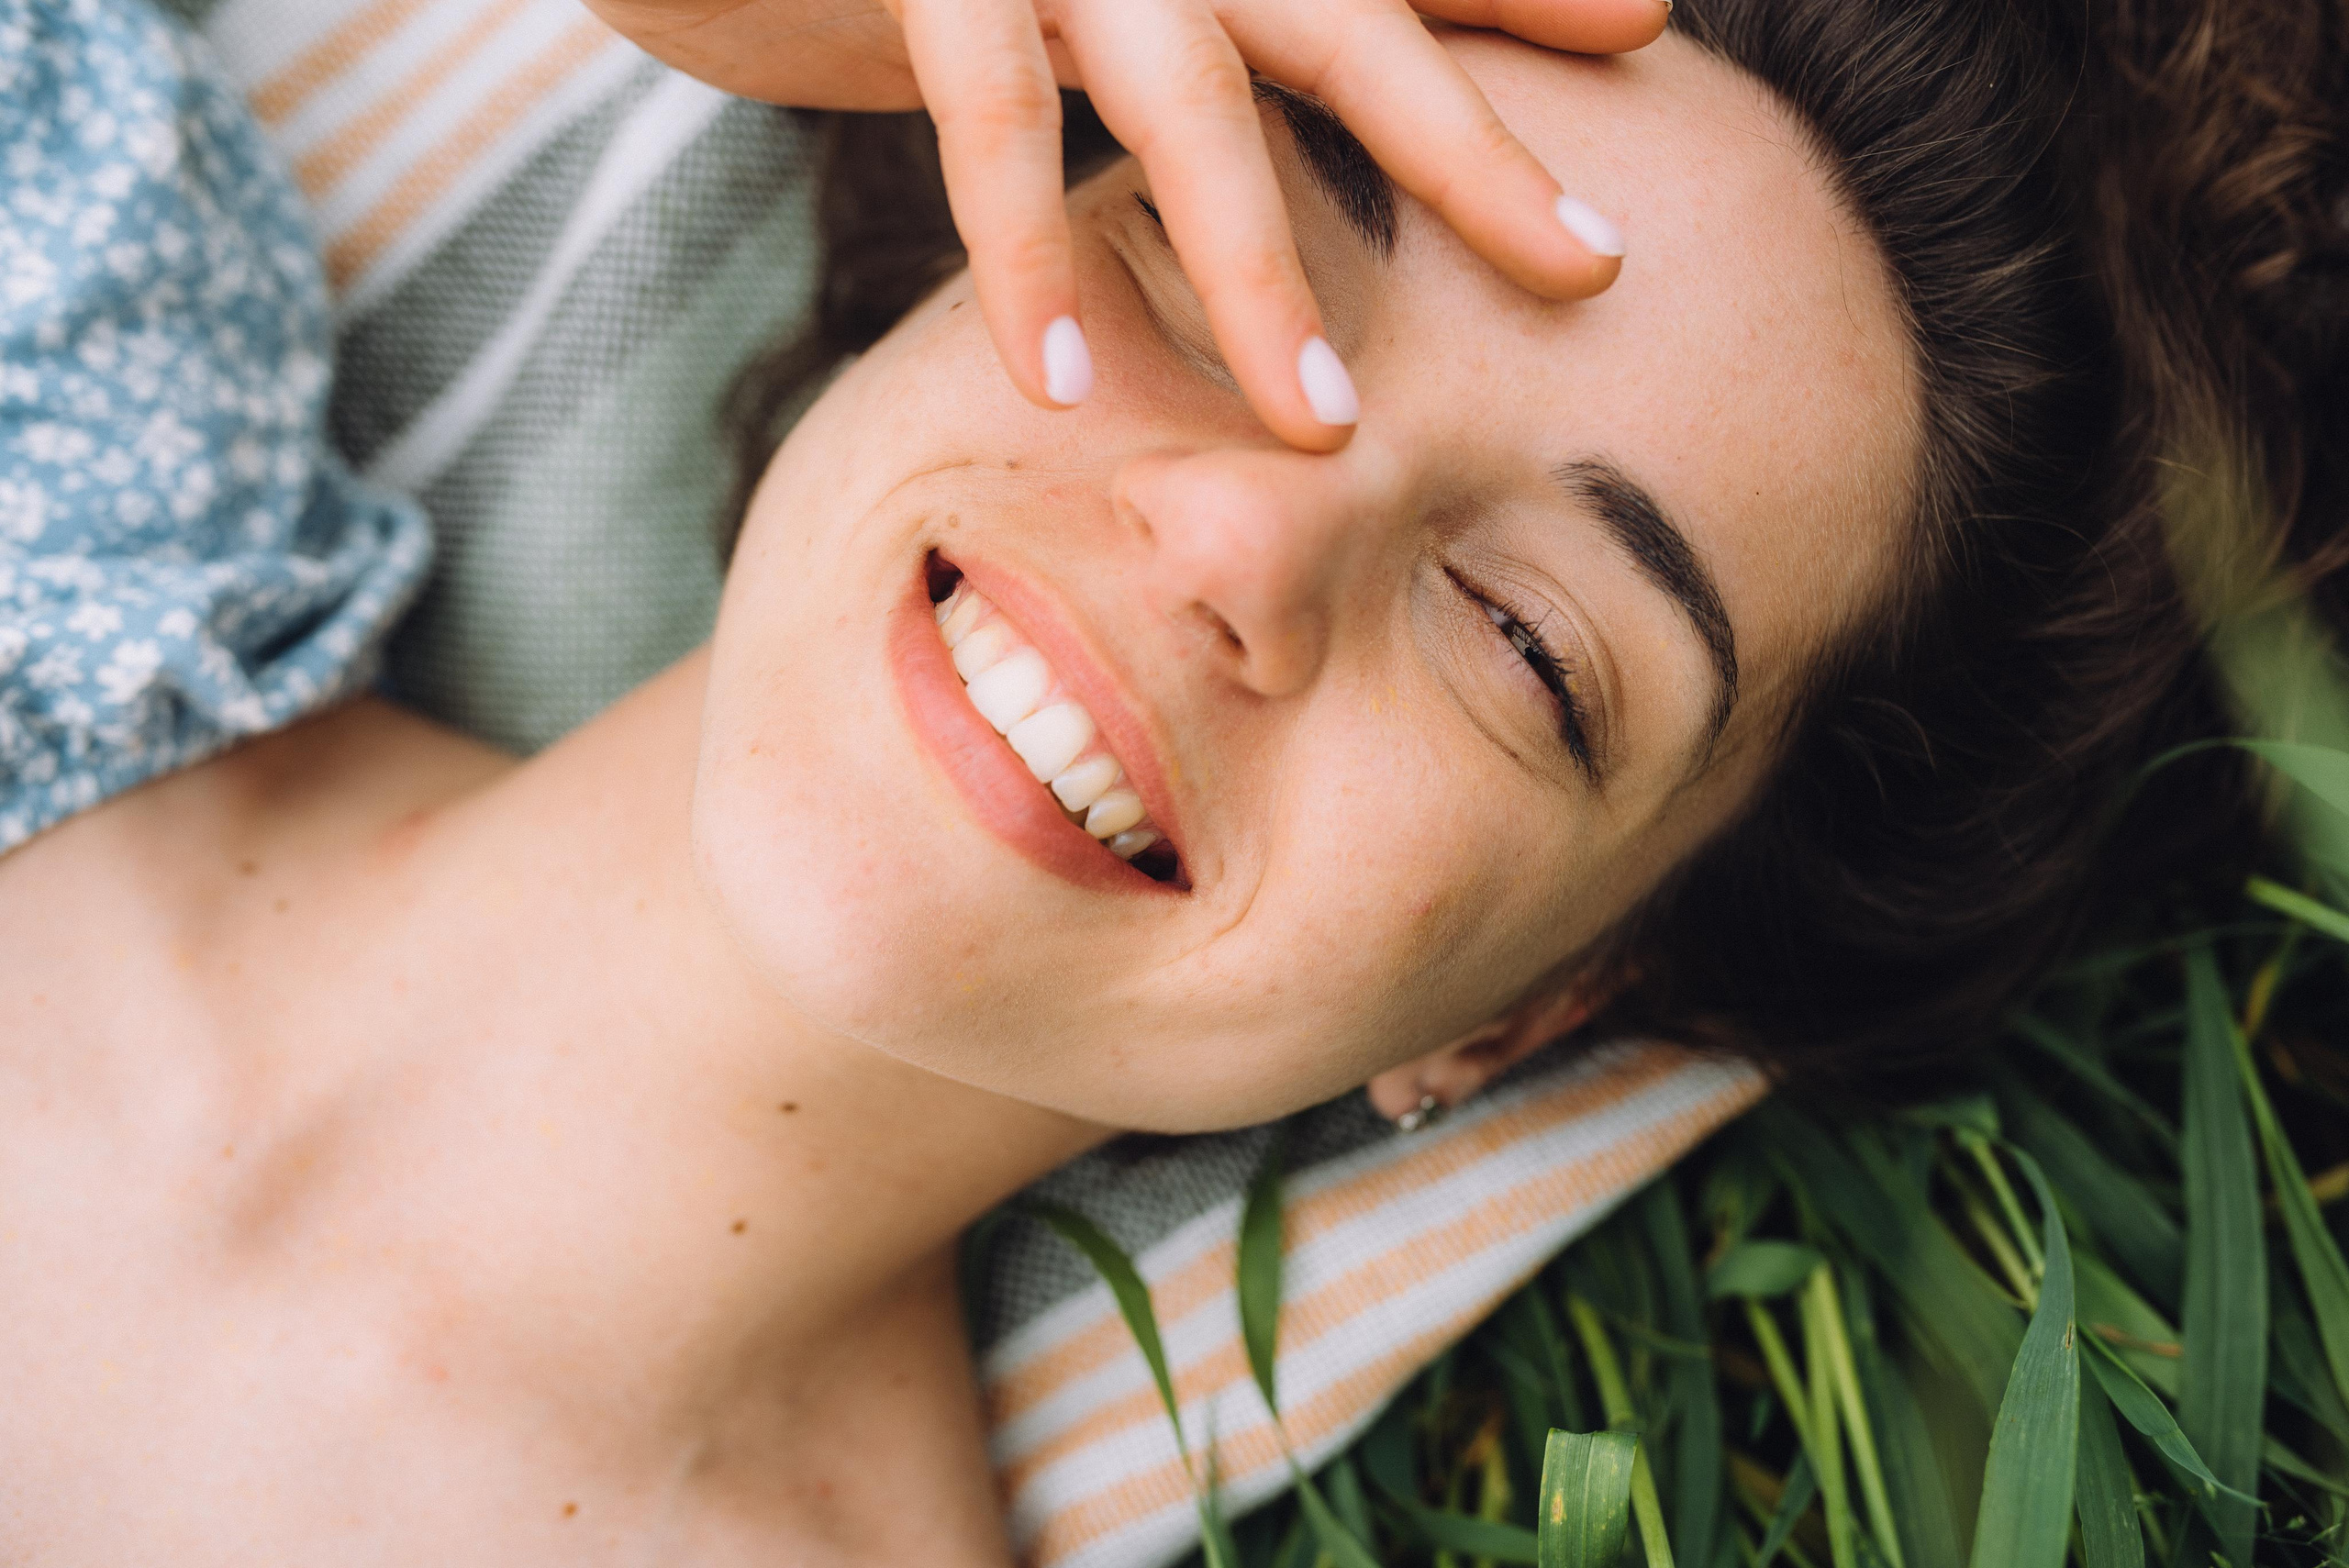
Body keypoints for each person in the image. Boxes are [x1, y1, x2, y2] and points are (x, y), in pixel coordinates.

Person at [2, 1, 2342, 1565]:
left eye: (1524, 642)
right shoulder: (61, 294)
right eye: (1242, 275)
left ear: (1543, 1006)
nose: (1238, 539)